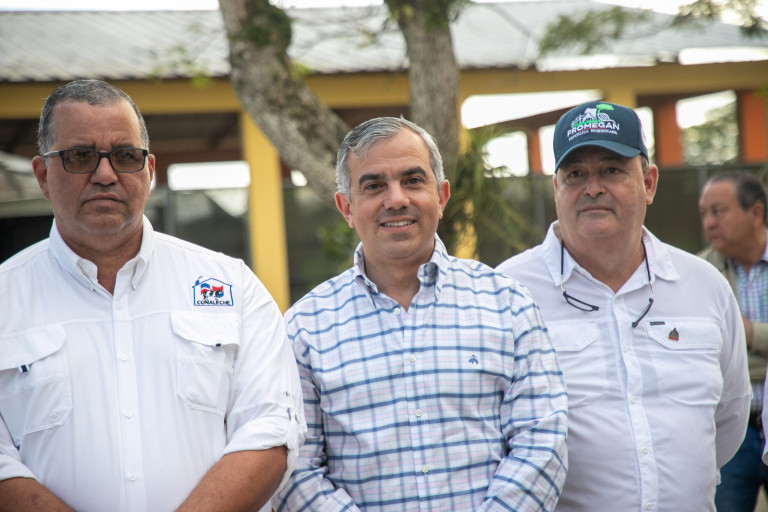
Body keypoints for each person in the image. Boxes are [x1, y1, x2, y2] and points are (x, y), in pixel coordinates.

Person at [0, 79, 306, 512]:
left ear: (150, 170)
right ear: (43, 175)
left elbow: (271, 429)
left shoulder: (233, 287)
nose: (105, 174)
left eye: (126, 156)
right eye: (80, 156)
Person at [273, 117, 568, 511]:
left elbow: (542, 439)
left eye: (413, 180)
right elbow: (296, 467)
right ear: (347, 208)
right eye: (374, 186)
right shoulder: (304, 330)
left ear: (441, 196)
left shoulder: (508, 303)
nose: (396, 199)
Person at [496, 100, 750, 512]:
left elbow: (729, 417)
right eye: (575, 174)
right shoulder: (507, 292)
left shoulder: (706, 286)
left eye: (612, 170)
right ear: (556, 188)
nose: (593, 187)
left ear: (649, 183)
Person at [699, 172, 768, 512]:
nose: (709, 223)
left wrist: (749, 333)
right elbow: (706, 355)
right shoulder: (698, 274)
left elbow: (730, 349)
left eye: (718, 211)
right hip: (730, 435)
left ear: (755, 213)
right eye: (704, 214)